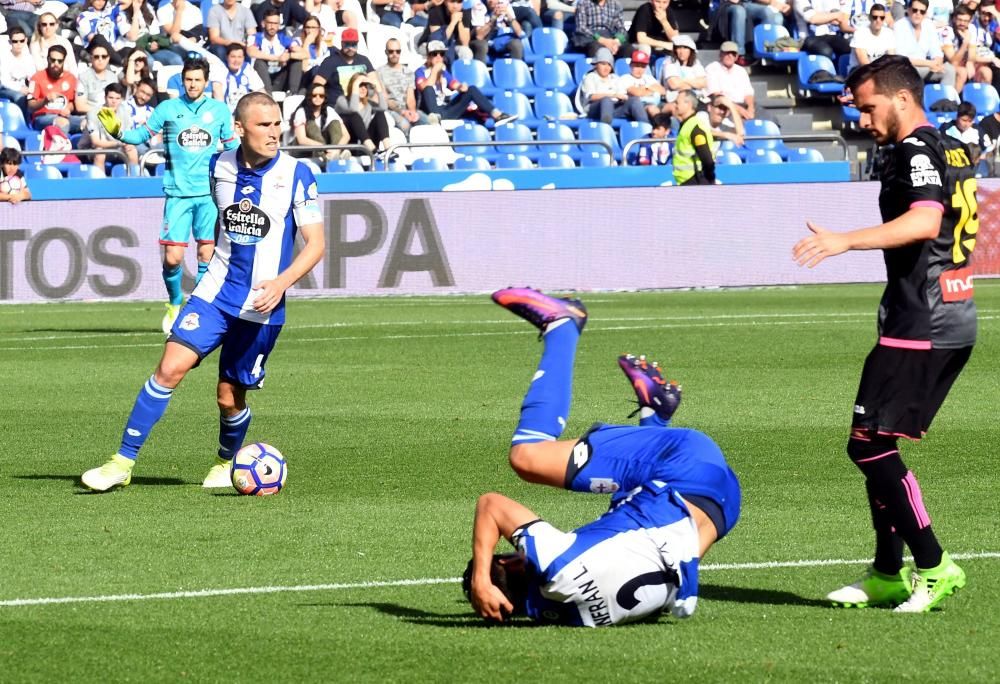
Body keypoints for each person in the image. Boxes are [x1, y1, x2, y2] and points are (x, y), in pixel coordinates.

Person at [793, 55, 975, 613]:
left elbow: (924, 222)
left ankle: (933, 563)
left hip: (924, 317)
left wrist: (845, 240)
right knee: (879, 442)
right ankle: (886, 573)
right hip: (939, 310)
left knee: (866, 445)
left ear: (901, 98)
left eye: (869, 107)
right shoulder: (951, 145)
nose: (864, 119)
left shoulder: (917, 148)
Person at [81, 92, 324, 493]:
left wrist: (281, 284)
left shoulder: (297, 174)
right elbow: (221, 218)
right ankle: (121, 462)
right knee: (169, 368)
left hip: (261, 305)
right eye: (264, 125)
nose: (275, 132)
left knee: (228, 397)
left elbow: (315, 244)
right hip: (214, 292)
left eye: (278, 123)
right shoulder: (218, 166)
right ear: (240, 128)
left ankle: (225, 460)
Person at [465, 287, 741, 626]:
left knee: (622, 525)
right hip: (687, 463)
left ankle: (654, 414)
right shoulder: (553, 564)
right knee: (527, 457)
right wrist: (481, 575)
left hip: (724, 509)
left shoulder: (582, 617)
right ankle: (562, 326)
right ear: (512, 562)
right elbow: (491, 505)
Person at [98, 56, 239, 334]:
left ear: (206, 82)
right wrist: (119, 133)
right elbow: (142, 136)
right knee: (173, 258)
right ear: (182, 81)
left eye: (198, 80)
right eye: (189, 79)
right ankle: (175, 302)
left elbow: (232, 145)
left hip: (208, 194)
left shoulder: (219, 111)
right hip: (177, 193)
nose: (193, 84)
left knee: (206, 254)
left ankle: (195, 310)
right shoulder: (168, 108)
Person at [414, 40, 518, 124]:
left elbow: (454, 84)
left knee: (471, 89)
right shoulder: (420, 71)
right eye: (434, 54)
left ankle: (497, 115)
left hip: (445, 110)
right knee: (429, 89)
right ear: (428, 56)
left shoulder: (444, 72)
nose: (438, 57)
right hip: (430, 112)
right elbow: (424, 87)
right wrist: (435, 70)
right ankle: (436, 120)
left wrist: (461, 87)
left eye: (441, 54)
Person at [575, 46, 646, 123]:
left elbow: (622, 94)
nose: (606, 68)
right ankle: (606, 130)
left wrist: (624, 97)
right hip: (594, 109)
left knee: (634, 100)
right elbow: (591, 97)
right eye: (603, 64)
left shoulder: (615, 78)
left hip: (614, 108)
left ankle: (646, 128)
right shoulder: (590, 77)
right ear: (596, 65)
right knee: (606, 101)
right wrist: (612, 95)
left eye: (609, 65)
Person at [894, 0, 956, 87]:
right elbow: (902, 59)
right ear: (908, 10)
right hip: (906, 68)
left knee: (949, 70)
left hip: (925, 67)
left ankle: (945, 99)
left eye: (922, 12)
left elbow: (936, 52)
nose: (918, 14)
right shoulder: (900, 25)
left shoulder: (929, 25)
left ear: (926, 13)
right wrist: (930, 64)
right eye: (915, 10)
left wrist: (937, 63)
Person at [83, 82, 140, 172]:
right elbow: (96, 142)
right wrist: (118, 143)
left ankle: (135, 179)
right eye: (111, 98)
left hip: (118, 147)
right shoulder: (93, 114)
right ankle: (100, 183)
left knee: (132, 149)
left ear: (121, 99)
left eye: (117, 98)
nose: (114, 101)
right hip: (92, 149)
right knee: (100, 152)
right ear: (105, 98)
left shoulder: (125, 111)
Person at [377, 37, 429, 134]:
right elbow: (385, 99)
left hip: (407, 109)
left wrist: (412, 112)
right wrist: (403, 112)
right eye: (391, 51)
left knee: (428, 122)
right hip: (391, 110)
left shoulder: (408, 72)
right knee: (405, 125)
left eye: (398, 51)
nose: (394, 54)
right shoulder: (379, 72)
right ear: (386, 52)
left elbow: (410, 98)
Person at [28, 45, 85, 134]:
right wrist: (44, 101)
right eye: (53, 60)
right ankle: (62, 147)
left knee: (88, 123)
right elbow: (30, 105)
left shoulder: (71, 78)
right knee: (62, 123)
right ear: (48, 59)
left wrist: (68, 108)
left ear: (64, 61)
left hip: (65, 116)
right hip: (42, 117)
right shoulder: (37, 77)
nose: (56, 64)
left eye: (59, 61)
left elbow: (73, 103)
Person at [313, 27, 377, 104]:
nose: (350, 48)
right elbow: (317, 85)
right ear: (342, 43)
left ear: (357, 44)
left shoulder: (364, 60)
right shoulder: (330, 61)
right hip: (337, 106)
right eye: (347, 44)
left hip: (361, 105)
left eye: (353, 44)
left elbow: (375, 83)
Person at [248, 7, 303, 95]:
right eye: (269, 23)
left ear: (279, 25)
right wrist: (277, 58)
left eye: (275, 23)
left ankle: (293, 94)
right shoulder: (255, 37)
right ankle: (267, 94)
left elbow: (304, 54)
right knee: (259, 62)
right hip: (261, 79)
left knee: (297, 61)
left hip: (280, 78)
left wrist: (289, 56)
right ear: (263, 23)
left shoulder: (283, 38)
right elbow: (251, 51)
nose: (272, 27)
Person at [335, 71, 391, 156]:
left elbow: (384, 107)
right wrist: (356, 83)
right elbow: (353, 109)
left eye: (366, 86)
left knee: (380, 113)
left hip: (367, 141)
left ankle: (389, 150)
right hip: (351, 143)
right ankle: (373, 150)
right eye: (360, 86)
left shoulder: (369, 104)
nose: (363, 89)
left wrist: (378, 88)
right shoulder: (342, 100)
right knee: (354, 116)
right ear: (353, 87)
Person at [291, 83, 350, 161]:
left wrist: (336, 149)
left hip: (328, 148)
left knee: (335, 123)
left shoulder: (329, 111)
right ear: (309, 96)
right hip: (305, 150)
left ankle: (335, 155)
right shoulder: (301, 112)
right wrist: (324, 147)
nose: (318, 98)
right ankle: (328, 157)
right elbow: (302, 140)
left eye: (321, 96)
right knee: (311, 124)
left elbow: (346, 135)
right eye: (314, 95)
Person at [717, 0, 785, 63]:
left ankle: (763, 50)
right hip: (730, 3)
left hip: (750, 3)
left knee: (774, 15)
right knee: (740, 11)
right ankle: (739, 53)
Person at [705, 41, 756, 122]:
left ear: (736, 57)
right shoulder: (712, 69)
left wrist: (750, 108)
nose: (730, 56)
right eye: (727, 53)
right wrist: (739, 110)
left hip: (743, 105)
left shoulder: (741, 71)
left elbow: (748, 93)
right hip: (723, 107)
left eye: (733, 54)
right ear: (720, 54)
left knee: (769, 119)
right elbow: (717, 96)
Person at [672, 89, 715, 184]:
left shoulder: (695, 127)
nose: (675, 106)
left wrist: (709, 180)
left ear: (688, 104)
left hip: (696, 180)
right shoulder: (686, 125)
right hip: (687, 181)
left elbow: (707, 159)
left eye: (677, 102)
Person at [660, 34, 707, 117]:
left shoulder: (696, 63)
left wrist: (683, 80)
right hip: (675, 99)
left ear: (691, 50)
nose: (681, 51)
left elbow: (703, 83)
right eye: (679, 48)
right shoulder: (669, 62)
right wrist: (694, 83)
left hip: (697, 98)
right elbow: (673, 84)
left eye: (685, 48)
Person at [75, 41, 121, 115]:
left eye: (104, 56)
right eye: (96, 57)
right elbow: (80, 106)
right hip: (89, 116)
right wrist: (104, 110)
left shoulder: (113, 77)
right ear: (91, 58)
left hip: (110, 117)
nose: (100, 59)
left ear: (108, 58)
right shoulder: (83, 77)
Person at [219, 42, 267, 113]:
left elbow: (260, 91)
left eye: (239, 57)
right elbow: (218, 97)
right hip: (227, 114)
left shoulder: (247, 69)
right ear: (227, 57)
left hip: (246, 113)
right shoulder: (221, 70)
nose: (236, 60)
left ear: (244, 58)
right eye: (233, 57)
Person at [619, 49, 664, 120]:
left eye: (643, 66)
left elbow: (662, 91)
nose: (639, 70)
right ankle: (659, 128)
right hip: (639, 106)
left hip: (656, 103)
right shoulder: (625, 78)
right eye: (637, 66)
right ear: (631, 65)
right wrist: (652, 90)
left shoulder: (648, 77)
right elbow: (637, 93)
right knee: (652, 109)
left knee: (672, 107)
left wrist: (645, 88)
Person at [849, 3, 896, 71]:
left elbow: (891, 59)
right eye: (875, 17)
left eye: (881, 18)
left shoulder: (889, 33)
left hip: (879, 72)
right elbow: (864, 63)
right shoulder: (860, 33)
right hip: (859, 71)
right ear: (870, 18)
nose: (878, 20)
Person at [0, 26, 35, 116]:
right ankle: (25, 122)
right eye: (15, 41)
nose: (19, 44)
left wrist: (31, 89)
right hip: (5, 89)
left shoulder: (28, 58)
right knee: (19, 97)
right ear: (10, 42)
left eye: (21, 41)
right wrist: (19, 89)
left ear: (26, 40)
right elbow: (4, 81)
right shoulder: (4, 58)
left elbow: (33, 77)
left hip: (24, 88)